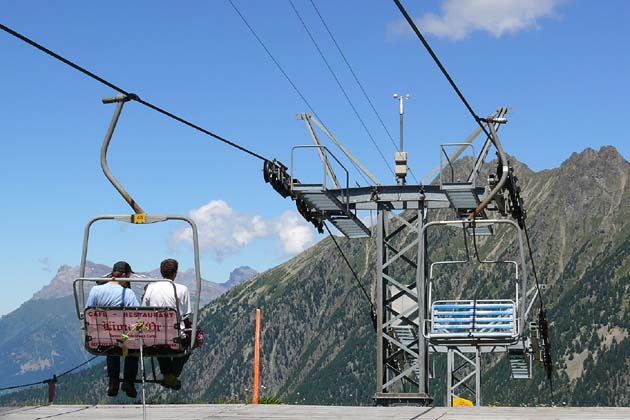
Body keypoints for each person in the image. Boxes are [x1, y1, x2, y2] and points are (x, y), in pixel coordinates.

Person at [85, 261, 139, 398]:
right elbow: (136, 316)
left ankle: (113, 381)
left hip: (102, 336)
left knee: (111, 345)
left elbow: (88, 312)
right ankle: (129, 381)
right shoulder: (128, 293)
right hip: (124, 338)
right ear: (124, 275)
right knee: (132, 345)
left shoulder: (95, 290)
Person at [142, 258, 190, 390]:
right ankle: (171, 375)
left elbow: (143, 310)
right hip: (174, 333)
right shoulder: (181, 289)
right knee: (189, 344)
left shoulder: (151, 288)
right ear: (175, 273)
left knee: (160, 343)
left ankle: (167, 374)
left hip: (154, 333)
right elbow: (186, 314)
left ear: (161, 272)